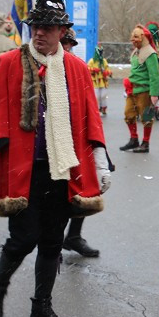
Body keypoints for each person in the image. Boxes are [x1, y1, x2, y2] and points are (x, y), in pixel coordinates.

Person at [0, 0, 111, 317]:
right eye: (35, 26)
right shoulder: (8, 64)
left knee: (52, 241)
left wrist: (100, 162)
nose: (40, 33)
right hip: (25, 170)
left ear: (62, 30)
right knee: (23, 239)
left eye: (48, 28)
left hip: (63, 169)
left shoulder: (76, 68)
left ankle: (42, 310)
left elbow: (89, 120)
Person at [59, 28, 103, 259]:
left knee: (83, 188)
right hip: (51, 141)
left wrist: (99, 150)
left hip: (78, 137)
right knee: (56, 194)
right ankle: (53, 241)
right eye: (64, 43)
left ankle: (73, 236)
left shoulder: (77, 67)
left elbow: (90, 108)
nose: (67, 48)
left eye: (69, 44)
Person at [120, 22, 159, 153]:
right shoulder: (136, 52)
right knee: (129, 114)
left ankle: (145, 143)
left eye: (136, 38)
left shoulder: (150, 54)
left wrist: (154, 94)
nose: (134, 41)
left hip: (144, 90)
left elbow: (154, 75)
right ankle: (134, 139)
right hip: (132, 89)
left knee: (146, 117)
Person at [87, 43, 112, 115]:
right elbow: (87, 69)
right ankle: (97, 109)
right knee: (96, 96)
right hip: (95, 81)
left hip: (103, 81)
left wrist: (107, 73)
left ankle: (103, 108)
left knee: (103, 95)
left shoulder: (104, 61)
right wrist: (94, 70)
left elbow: (108, 69)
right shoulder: (91, 61)